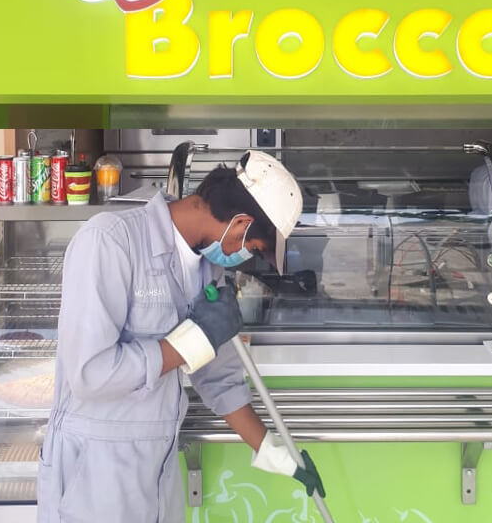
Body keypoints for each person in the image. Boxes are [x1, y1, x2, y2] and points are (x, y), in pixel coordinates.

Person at [37, 150, 324, 523]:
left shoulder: (209, 270)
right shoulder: (110, 241)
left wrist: (271, 449)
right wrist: (188, 343)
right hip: (93, 473)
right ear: (239, 223)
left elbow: (217, 377)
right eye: (252, 250)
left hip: (157, 470)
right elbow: (90, 375)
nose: (245, 259)